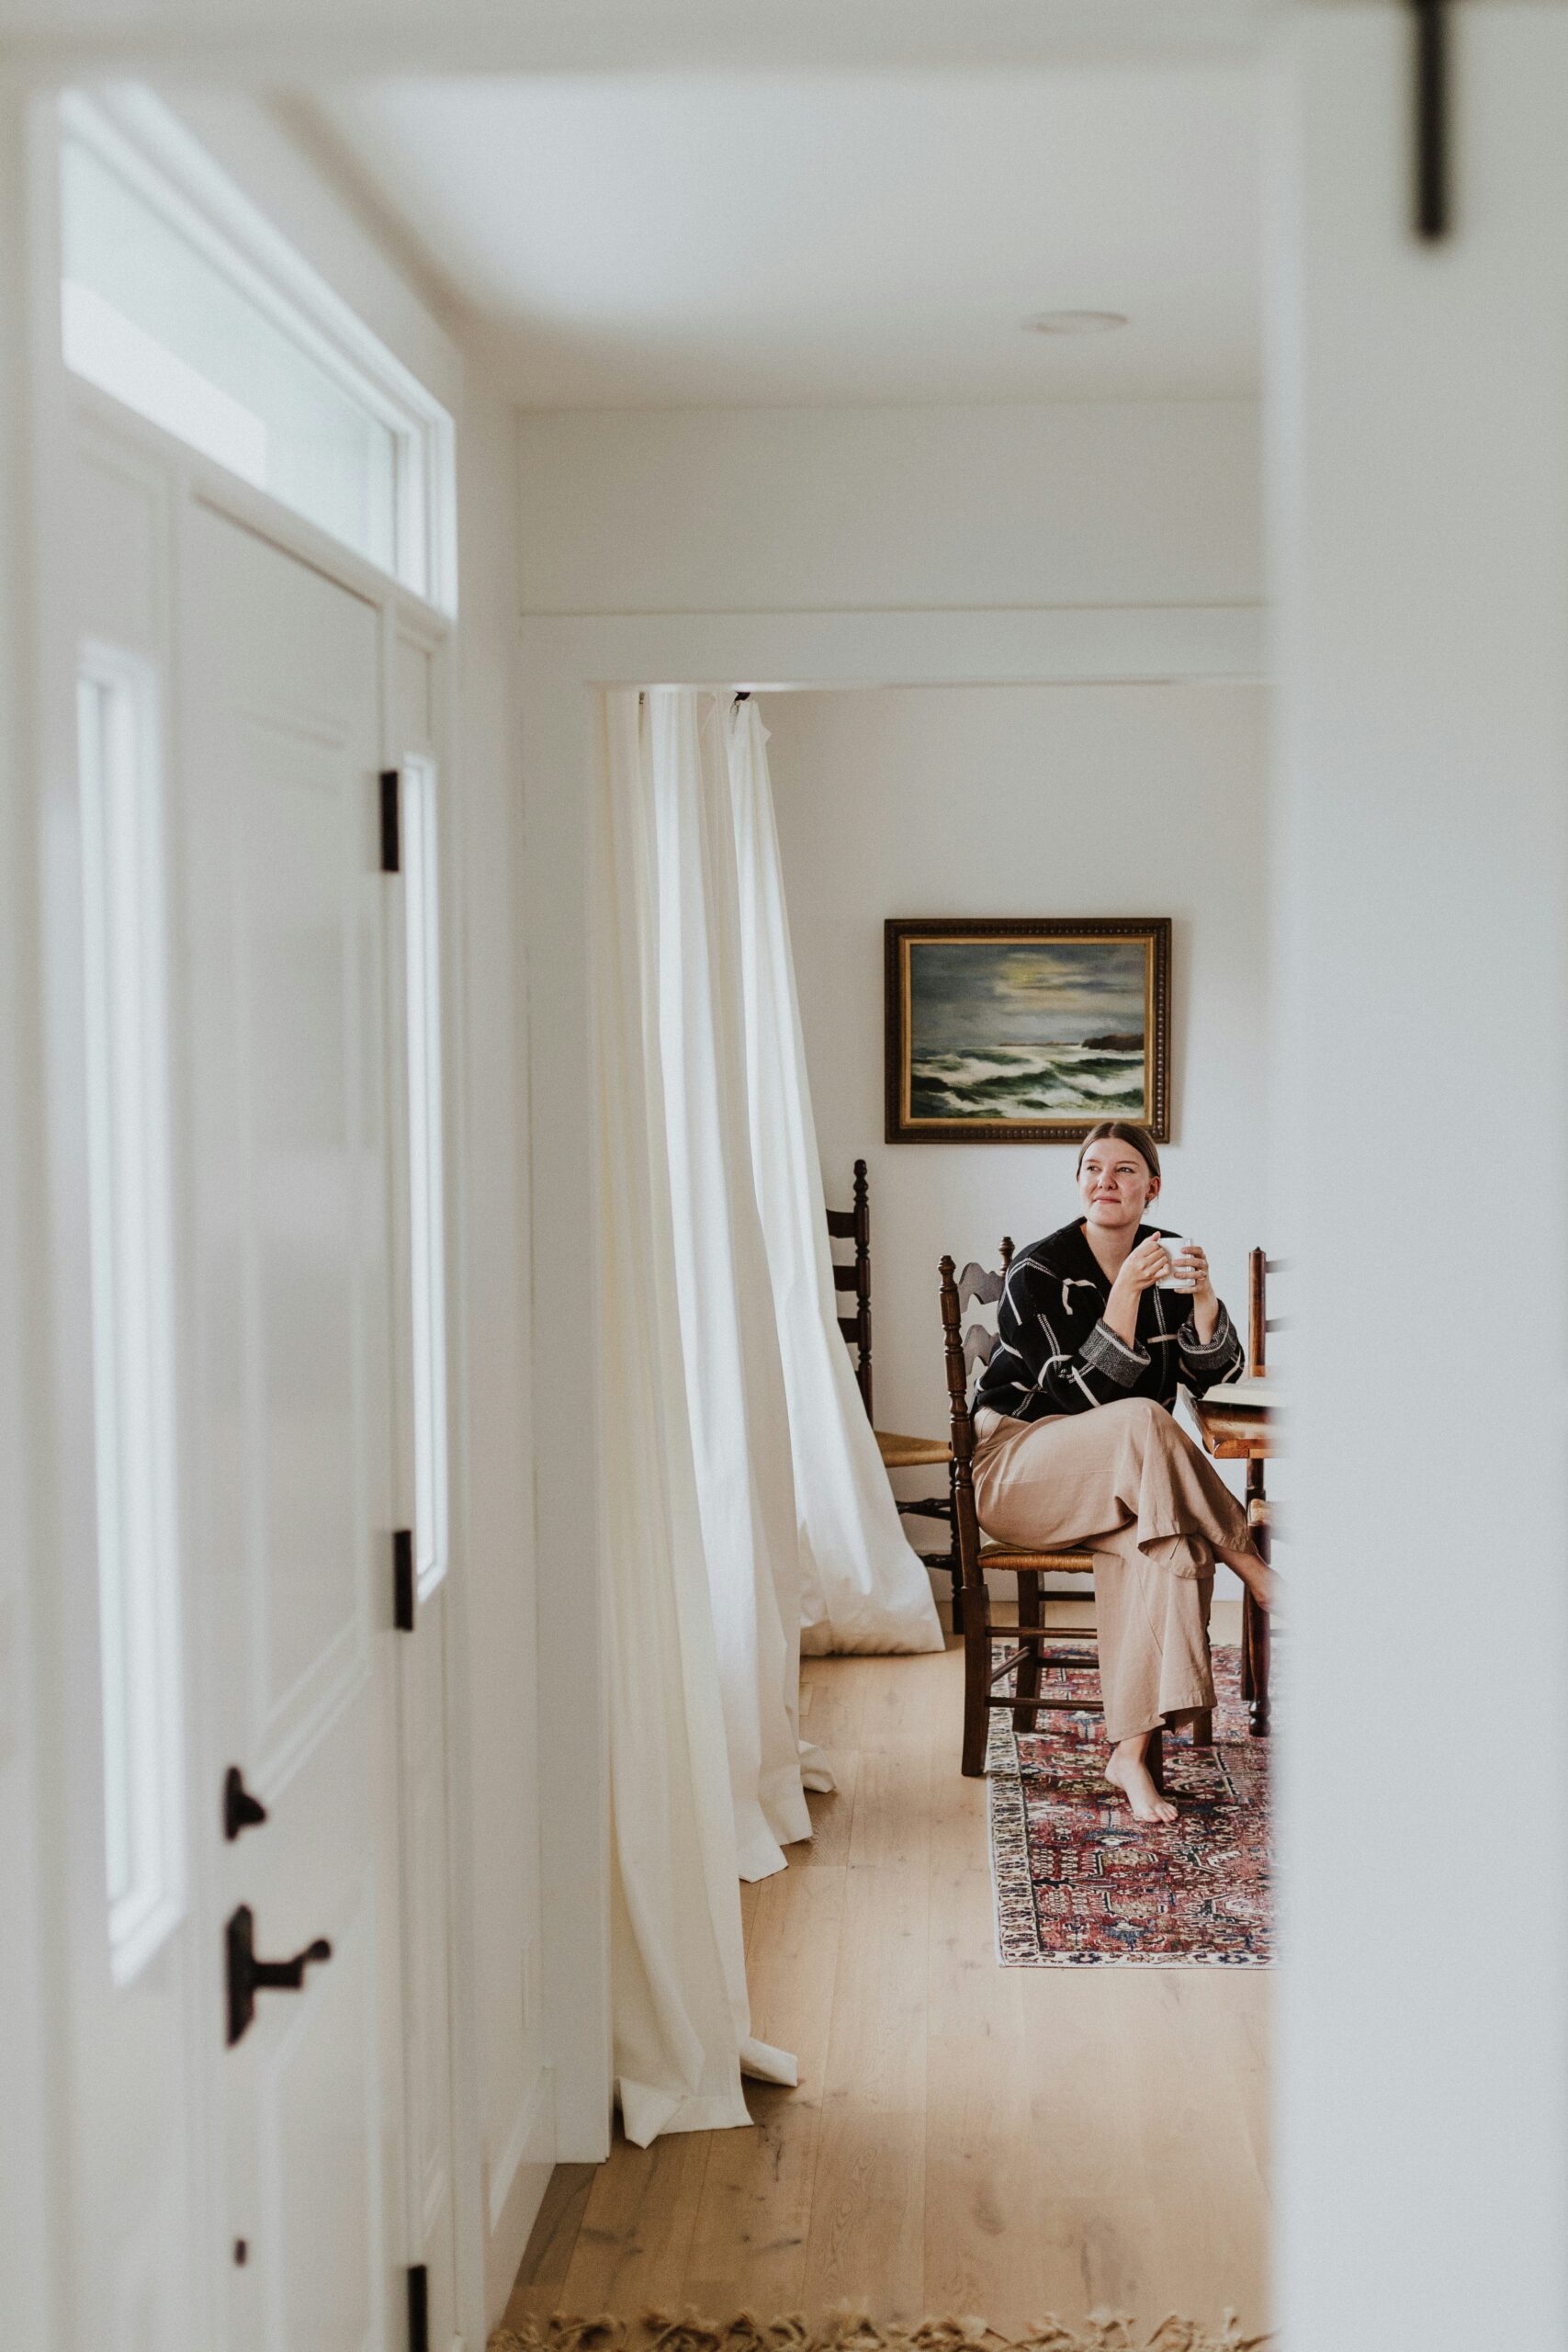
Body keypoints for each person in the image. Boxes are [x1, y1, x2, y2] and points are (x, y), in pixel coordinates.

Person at [970, 1118, 1275, 1824]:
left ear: (1151, 1188)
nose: (1105, 1180)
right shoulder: (1037, 1273)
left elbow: (1215, 1387)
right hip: (1018, 1469)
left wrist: (1205, 1303)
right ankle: (1253, 1568)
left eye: (1124, 1170)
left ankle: (1129, 1755)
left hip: (1123, 1483)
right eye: (1092, 1169)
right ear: (1079, 1183)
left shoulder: (1163, 1257)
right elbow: (1081, 1398)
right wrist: (1126, 1295)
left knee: (1174, 1547)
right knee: (1140, 1417)